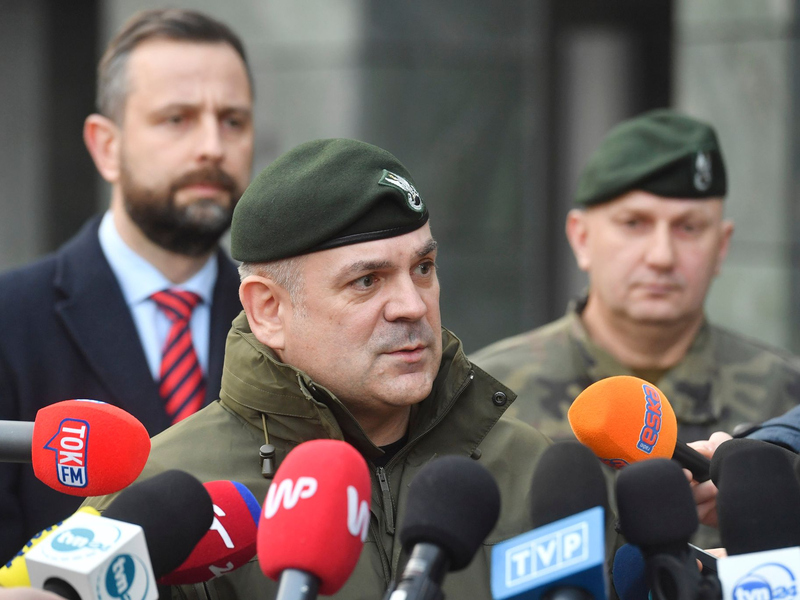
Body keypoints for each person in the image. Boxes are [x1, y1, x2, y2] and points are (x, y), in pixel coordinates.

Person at [83, 138, 566, 600]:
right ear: (269, 310)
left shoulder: (535, 471)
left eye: (423, 267)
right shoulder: (162, 503)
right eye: (367, 280)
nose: (412, 306)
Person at [0, 9, 254, 563]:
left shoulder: (278, 321)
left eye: (233, 120)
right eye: (177, 119)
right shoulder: (11, 320)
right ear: (106, 145)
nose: (213, 145)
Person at [471, 110, 800, 446]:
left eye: (689, 228)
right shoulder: (489, 397)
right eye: (634, 223)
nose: (662, 257)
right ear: (582, 238)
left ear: (722, 246)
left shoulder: (785, 399)